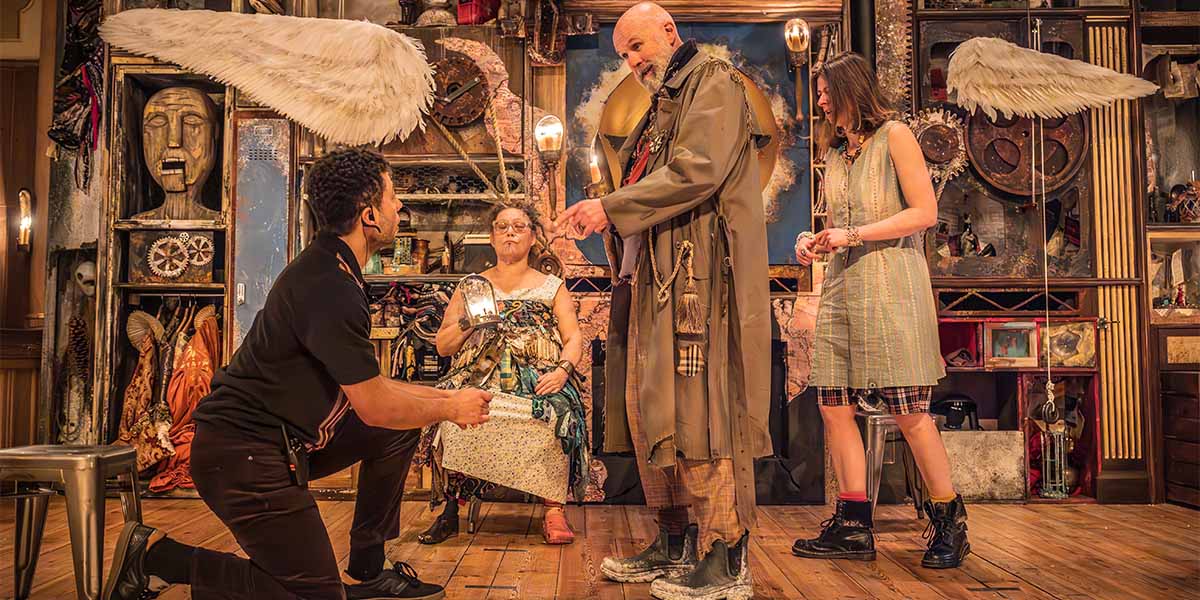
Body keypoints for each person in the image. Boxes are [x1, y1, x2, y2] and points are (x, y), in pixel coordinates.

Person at [104, 148, 493, 600]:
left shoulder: (337, 268)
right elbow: (375, 405)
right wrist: (448, 406)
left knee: (395, 433)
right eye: (392, 199)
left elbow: (376, 395)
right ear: (369, 216)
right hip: (241, 456)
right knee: (313, 594)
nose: (400, 208)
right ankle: (155, 557)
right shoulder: (329, 284)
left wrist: (443, 401)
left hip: (278, 445)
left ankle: (368, 570)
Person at [557, 3, 772, 599]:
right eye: (622, 53)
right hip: (651, 282)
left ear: (670, 32)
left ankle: (726, 556)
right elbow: (646, 184)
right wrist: (606, 215)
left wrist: (610, 207)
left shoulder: (714, 83)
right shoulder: (662, 104)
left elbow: (696, 170)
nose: (630, 61)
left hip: (696, 281)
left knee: (701, 412)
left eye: (636, 46)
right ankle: (676, 541)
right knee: (648, 410)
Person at [792, 52, 970, 569]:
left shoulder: (896, 136)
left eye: (825, 91)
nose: (820, 100)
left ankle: (947, 522)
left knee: (910, 411)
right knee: (833, 406)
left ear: (850, 90)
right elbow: (837, 220)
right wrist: (813, 240)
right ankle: (852, 523)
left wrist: (851, 234)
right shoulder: (837, 154)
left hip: (892, 288)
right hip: (845, 290)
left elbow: (924, 212)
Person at [416, 203, 588, 546]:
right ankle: (450, 510)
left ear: (533, 237)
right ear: (492, 237)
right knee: (450, 412)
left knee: (559, 411)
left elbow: (573, 338)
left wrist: (562, 371)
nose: (510, 232)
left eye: (519, 226)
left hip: (537, 380)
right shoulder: (472, 286)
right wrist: (471, 320)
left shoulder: (551, 286)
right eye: (502, 226)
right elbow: (444, 346)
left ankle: (554, 509)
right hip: (479, 379)